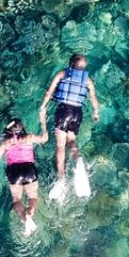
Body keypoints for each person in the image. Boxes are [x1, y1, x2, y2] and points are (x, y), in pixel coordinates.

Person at [39, 54, 101, 197]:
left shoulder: (62, 73)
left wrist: (43, 106)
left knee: (60, 146)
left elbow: (49, 92)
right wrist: (96, 113)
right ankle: (77, 158)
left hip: (64, 111)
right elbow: (93, 98)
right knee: (72, 142)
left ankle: (61, 178)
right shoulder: (88, 81)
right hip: (77, 113)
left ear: (71, 64)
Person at [0, 115, 49, 236]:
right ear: (22, 128)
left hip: (14, 172)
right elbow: (45, 138)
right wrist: (44, 125)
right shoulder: (29, 137)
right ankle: (30, 213)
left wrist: (3, 147)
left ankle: (25, 219)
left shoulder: (6, 142)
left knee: (16, 200)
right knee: (33, 198)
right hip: (29, 169)